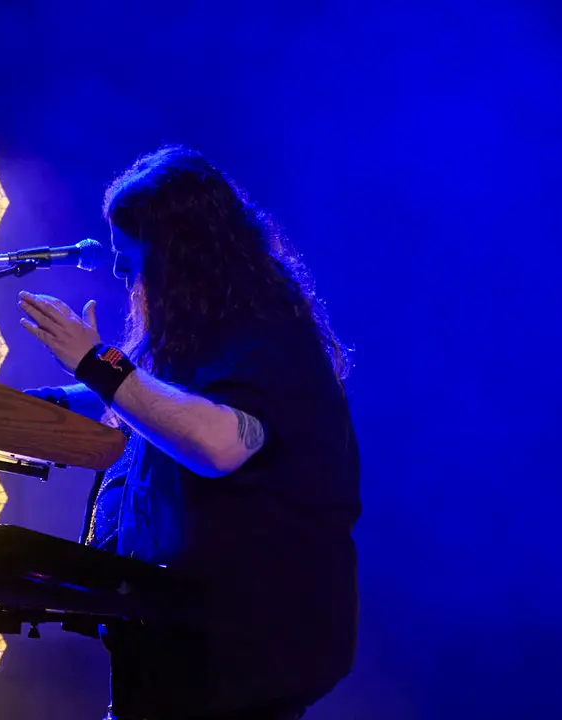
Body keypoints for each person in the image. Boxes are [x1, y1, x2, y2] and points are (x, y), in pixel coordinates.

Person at [19, 146, 359, 720]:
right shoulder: (193, 339)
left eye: (132, 256)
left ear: (179, 254)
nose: (121, 272)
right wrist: (0, 411)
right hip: (175, 647)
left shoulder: (267, 338)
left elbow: (218, 443)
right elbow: (141, 401)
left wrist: (97, 363)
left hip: (241, 658)